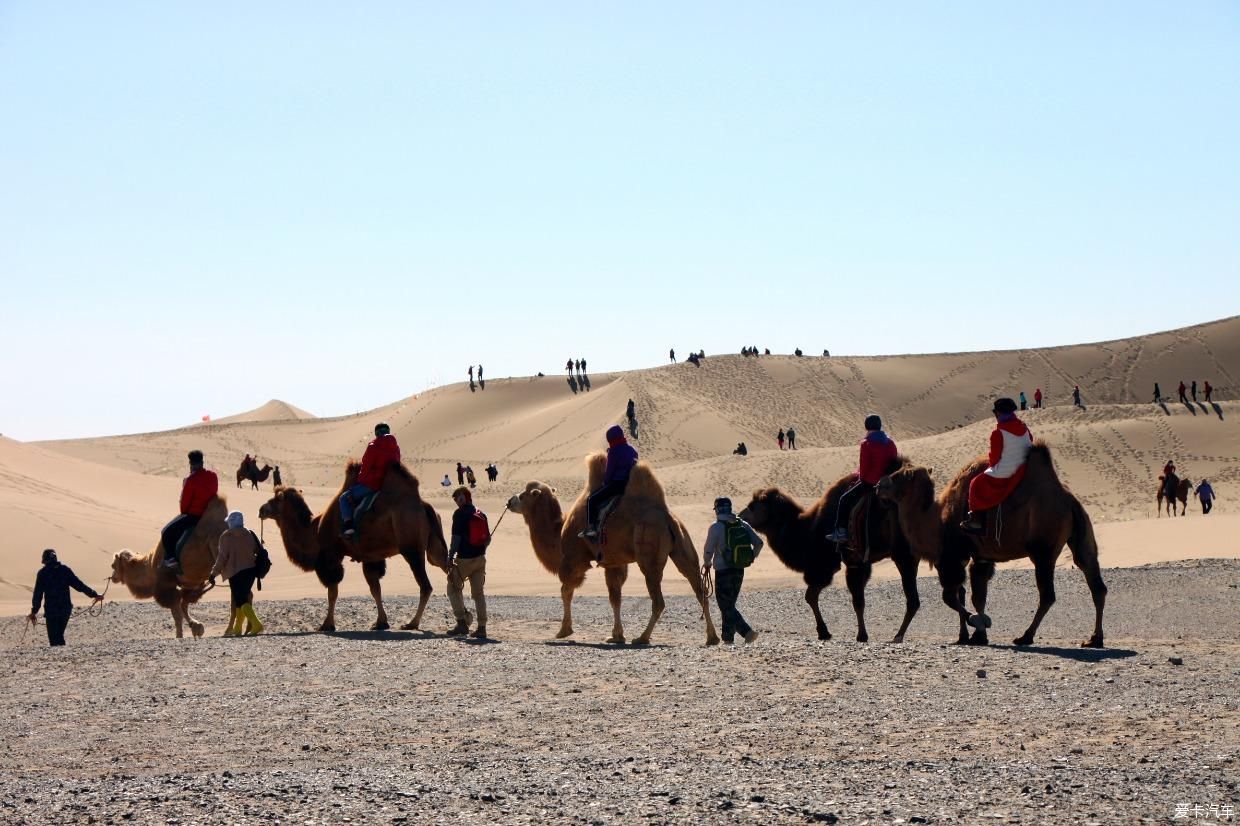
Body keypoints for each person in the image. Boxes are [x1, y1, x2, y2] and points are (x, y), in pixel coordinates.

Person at [960, 398, 1033, 534]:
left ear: (998, 414)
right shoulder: (1024, 428)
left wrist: (991, 467)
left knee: (975, 483)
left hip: (1008, 472)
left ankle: (976, 521)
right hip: (1025, 468)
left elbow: (994, 459)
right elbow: (1031, 441)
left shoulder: (998, 434)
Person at [826, 415, 899, 543]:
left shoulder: (866, 444)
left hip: (871, 483)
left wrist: (861, 479)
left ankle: (841, 532)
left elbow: (864, 469)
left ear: (867, 427)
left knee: (844, 499)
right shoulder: (891, 443)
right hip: (888, 484)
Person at [702, 497, 763, 644]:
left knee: (725, 605)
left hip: (723, 571)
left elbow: (708, 550)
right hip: (739, 569)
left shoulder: (715, 527)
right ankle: (728, 639)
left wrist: (707, 563)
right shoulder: (742, 523)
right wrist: (751, 557)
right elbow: (759, 543)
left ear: (717, 510)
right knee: (729, 605)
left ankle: (747, 632)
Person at [28, 549, 103, 646]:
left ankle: (59, 658)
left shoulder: (43, 573)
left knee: (55, 638)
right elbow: (79, 585)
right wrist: (94, 594)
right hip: (65, 609)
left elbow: (38, 594)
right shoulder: (65, 570)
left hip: (52, 610)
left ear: (44, 560)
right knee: (59, 635)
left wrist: (34, 611)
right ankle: (62, 656)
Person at [339, 423, 401, 539]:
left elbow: (365, 468)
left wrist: (359, 482)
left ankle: (348, 527)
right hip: (389, 486)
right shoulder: (396, 447)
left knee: (344, 498)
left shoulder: (373, 446)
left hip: (372, 485)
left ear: (377, 433)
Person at [161, 450, 220, 569]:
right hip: (210, 517)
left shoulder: (191, 480)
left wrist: (184, 513)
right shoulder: (213, 476)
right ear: (202, 462)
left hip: (194, 516)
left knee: (166, 532)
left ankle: (171, 559)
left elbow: (184, 505)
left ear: (191, 463)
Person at [209, 511, 264, 636]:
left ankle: (256, 624)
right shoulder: (249, 534)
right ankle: (238, 628)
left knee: (241, 601)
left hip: (235, 573)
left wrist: (213, 574)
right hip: (251, 571)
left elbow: (222, 558)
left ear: (230, 522)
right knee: (241, 601)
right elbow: (257, 550)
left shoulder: (226, 537)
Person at [580, 425, 638, 541]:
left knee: (592, 500)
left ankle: (591, 528)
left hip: (617, 485)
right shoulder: (632, 449)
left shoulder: (613, 451)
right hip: (631, 486)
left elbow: (609, 472)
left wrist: (605, 483)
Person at [446, 486, 489, 638]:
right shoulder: (480, 513)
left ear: (464, 497)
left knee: (452, 588)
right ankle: (482, 628)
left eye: (458, 498)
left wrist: (450, 557)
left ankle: (462, 623)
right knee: (478, 594)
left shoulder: (459, 514)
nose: (457, 501)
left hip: (464, 560)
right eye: (456, 499)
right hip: (480, 559)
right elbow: (487, 539)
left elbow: (456, 538)